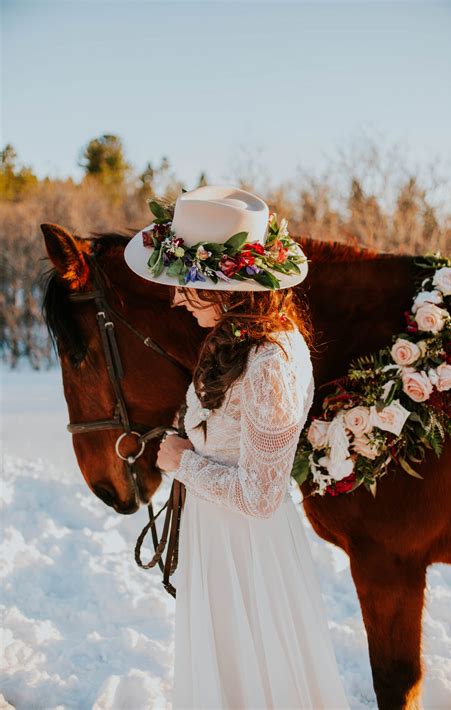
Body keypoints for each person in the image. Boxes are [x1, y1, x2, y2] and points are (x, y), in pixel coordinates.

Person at [124, 185, 350, 709]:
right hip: (219, 536)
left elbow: (261, 495)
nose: (177, 297)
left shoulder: (271, 362)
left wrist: (184, 463)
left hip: (247, 550)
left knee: (255, 677)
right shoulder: (236, 335)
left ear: (229, 288)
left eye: (188, 285)